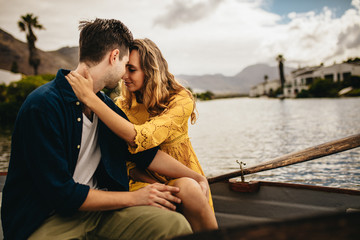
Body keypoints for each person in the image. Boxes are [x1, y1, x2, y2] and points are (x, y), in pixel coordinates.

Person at [1, 18, 211, 240]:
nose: (124, 74)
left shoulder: (104, 106)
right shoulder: (43, 105)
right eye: (125, 64)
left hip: (100, 212)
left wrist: (196, 177)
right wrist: (136, 198)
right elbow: (61, 194)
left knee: (172, 225)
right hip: (47, 218)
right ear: (114, 57)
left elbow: (143, 153)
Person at [66, 38, 218, 231]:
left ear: (151, 70)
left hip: (180, 170)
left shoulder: (180, 99)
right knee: (165, 206)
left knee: (191, 189)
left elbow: (144, 136)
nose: (124, 76)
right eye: (125, 68)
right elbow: (126, 161)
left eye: (132, 69)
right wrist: (154, 185)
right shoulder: (122, 107)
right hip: (140, 179)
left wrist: (90, 98)